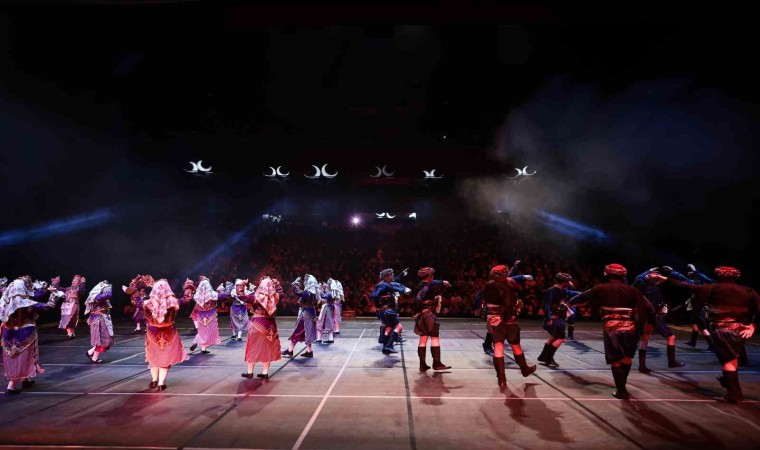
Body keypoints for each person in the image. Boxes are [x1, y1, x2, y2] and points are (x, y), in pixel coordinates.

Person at [667, 266, 759, 403]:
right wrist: (753, 326)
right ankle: (733, 389)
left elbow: (688, 285)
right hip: (740, 330)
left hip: (721, 329)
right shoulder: (748, 291)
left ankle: (734, 394)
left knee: (728, 362)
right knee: (732, 360)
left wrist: (667, 279)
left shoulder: (713, 288)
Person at [569, 264, 651, 399]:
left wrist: (571, 301)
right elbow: (643, 312)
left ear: (607, 274)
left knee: (615, 360)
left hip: (612, 328)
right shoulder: (633, 290)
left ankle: (621, 390)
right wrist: (640, 329)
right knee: (627, 358)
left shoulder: (601, 288)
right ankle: (622, 387)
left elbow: (580, 298)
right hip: (631, 328)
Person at [0, 276, 59, 395]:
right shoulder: (28, 305)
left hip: (9, 334)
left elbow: (34, 295)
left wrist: (45, 290)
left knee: (18, 357)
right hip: (24, 335)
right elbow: (49, 306)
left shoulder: (6, 302)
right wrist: (54, 294)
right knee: (21, 358)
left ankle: (25, 379)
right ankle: (11, 387)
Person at [482, 265, 537, 390]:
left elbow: (485, 303)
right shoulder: (509, 284)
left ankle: (501, 379)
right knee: (515, 345)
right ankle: (524, 369)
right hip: (507, 319)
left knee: (498, 346)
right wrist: (510, 315)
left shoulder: (488, 285)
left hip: (493, 319)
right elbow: (508, 301)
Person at [634, 268, 685, 373]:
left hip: (644, 317)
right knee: (671, 337)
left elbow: (638, 278)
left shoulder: (644, 288)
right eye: (655, 274)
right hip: (653, 317)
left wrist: (648, 272)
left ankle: (642, 366)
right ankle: (671, 362)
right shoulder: (653, 289)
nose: (657, 274)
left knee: (645, 339)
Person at [143, 278, 189, 390]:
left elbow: (135, 301)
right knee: (165, 357)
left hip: (153, 333)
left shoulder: (146, 303)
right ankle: (161, 383)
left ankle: (154, 380)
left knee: (153, 356)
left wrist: (134, 286)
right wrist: (189, 288)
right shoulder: (174, 302)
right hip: (169, 332)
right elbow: (187, 299)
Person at [241, 277, 282, 379]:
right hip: (270, 325)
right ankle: (265, 372)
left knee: (253, 347)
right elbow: (281, 292)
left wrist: (242, 284)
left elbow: (242, 296)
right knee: (267, 348)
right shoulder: (275, 296)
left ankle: (250, 372)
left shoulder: (255, 297)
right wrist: (277, 284)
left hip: (257, 325)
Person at [537, 273, 580, 368]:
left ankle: (543, 356)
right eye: (567, 281)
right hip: (554, 318)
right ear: (564, 282)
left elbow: (575, 293)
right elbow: (547, 305)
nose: (569, 283)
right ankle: (549, 358)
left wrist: (588, 293)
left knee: (553, 337)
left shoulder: (562, 290)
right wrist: (549, 318)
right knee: (560, 338)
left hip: (557, 318)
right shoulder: (551, 291)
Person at [414, 267, 451, 371]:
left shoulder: (420, 284)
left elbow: (432, 283)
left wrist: (442, 282)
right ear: (429, 276)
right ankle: (437, 363)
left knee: (423, 339)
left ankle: (422, 365)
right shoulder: (426, 287)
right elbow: (418, 298)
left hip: (422, 316)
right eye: (432, 275)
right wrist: (418, 309)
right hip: (428, 314)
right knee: (434, 338)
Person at [370, 268, 410, 350]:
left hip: (387, 309)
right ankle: (388, 344)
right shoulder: (383, 285)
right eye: (391, 275)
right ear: (386, 276)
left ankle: (386, 345)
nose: (393, 276)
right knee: (397, 327)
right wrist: (378, 305)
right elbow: (374, 296)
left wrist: (402, 274)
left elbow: (395, 282)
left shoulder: (387, 284)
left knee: (388, 327)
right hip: (386, 310)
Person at [282, 275, 319, 358]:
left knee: (297, 332)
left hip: (306, 314)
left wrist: (294, 285)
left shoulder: (309, 293)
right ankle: (309, 351)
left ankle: (290, 350)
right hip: (311, 313)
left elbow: (298, 292)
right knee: (307, 333)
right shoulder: (314, 293)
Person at [84, 281, 114, 364]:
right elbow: (108, 295)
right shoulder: (96, 296)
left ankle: (90, 352)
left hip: (103, 318)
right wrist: (107, 287)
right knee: (101, 339)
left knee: (106, 339)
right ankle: (94, 358)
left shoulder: (99, 296)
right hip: (98, 320)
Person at [190, 277, 221, 353]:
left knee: (201, 332)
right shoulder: (211, 294)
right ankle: (200, 345)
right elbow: (220, 296)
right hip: (210, 314)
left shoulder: (197, 295)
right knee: (208, 332)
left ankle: (201, 347)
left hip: (200, 315)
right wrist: (221, 291)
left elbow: (194, 310)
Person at [58, 275, 86, 339]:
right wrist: (55, 284)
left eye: (76, 280)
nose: (74, 281)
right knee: (65, 319)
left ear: (79, 282)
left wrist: (82, 283)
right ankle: (71, 333)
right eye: (73, 280)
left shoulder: (79, 289)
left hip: (73, 305)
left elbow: (81, 291)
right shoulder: (67, 289)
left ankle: (70, 333)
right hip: (65, 306)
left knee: (70, 319)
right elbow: (59, 289)